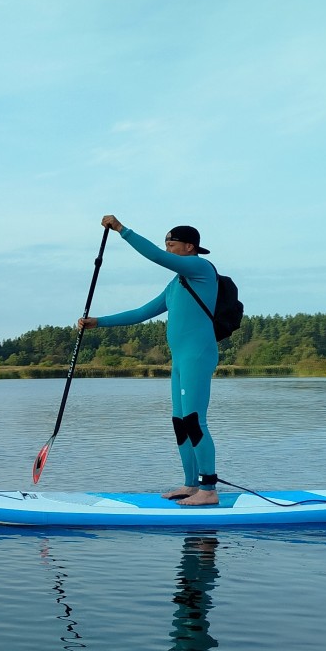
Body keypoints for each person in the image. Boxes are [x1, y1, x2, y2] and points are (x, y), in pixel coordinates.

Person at [78, 215, 222, 506]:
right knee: (180, 422)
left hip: (198, 355)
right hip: (180, 360)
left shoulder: (201, 269)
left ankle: (209, 489)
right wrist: (99, 322)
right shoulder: (175, 285)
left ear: (190, 247)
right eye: (166, 244)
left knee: (195, 421)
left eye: (172, 244)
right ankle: (191, 485)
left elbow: (155, 256)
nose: (167, 249)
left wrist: (122, 230)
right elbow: (142, 312)